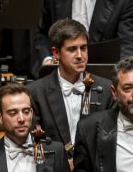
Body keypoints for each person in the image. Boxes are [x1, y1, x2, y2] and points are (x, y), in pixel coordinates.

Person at [29, 19, 114, 156]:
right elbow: (36, 142)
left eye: (83, 48)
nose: (80, 56)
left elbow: (111, 140)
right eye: (72, 49)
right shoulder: (35, 92)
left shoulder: (107, 90)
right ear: (56, 53)